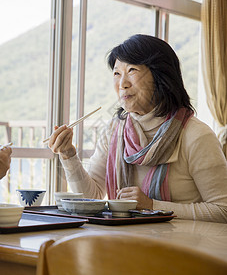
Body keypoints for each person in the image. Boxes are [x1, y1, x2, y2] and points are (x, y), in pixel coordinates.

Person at [48, 34, 227, 223]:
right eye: (117, 73)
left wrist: (153, 206)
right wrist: (68, 155)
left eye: (132, 70)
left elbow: (223, 211)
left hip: (182, 249)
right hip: (126, 245)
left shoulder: (196, 136)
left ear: (160, 76)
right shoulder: (113, 132)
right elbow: (90, 197)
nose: (122, 83)